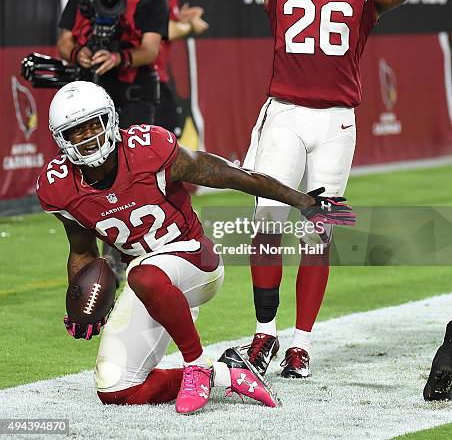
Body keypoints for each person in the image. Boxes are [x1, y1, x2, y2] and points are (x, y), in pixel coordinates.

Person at [207, 0, 425, 379]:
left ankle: (301, 343)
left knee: (319, 232)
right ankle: (264, 335)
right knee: (266, 223)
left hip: (336, 122)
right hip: (283, 112)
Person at [35, 80, 356, 414]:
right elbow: (83, 250)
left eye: (93, 124)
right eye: (76, 131)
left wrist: (303, 201)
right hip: (149, 281)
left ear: (111, 120)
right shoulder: (59, 187)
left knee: (143, 273)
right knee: (117, 388)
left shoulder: (148, 149)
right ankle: (227, 373)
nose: (87, 137)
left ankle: (197, 363)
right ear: (61, 139)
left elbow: (232, 175)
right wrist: (81, 300)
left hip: (194, 260)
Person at [58, 0, 170, 283]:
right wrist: (82, 53)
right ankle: (96, 246)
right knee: (91, 168)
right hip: (91, 90)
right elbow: (63, 40)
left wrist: (119, 58)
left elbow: (151, 50)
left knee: (136, 169)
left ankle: (143, 243)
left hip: (133, 90)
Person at [156, 0, 208, 136]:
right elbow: (165, 31)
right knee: (166, 133)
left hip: (160, 72)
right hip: (151, 73)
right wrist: (191, 26)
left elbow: (167, 22)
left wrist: (183, 19)